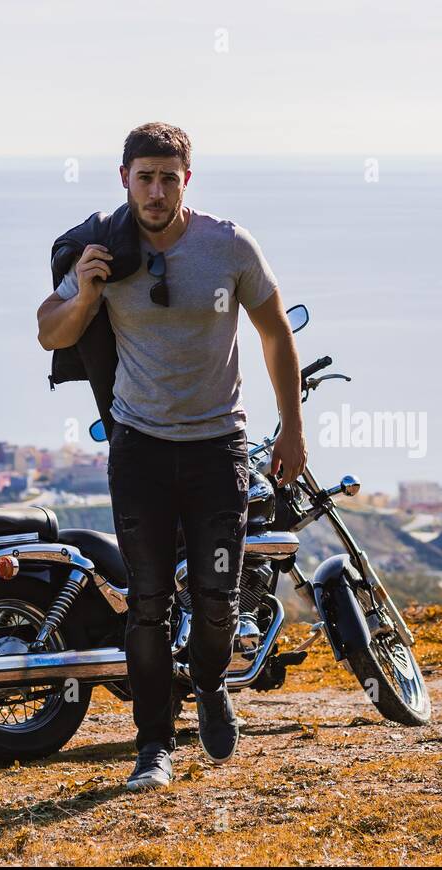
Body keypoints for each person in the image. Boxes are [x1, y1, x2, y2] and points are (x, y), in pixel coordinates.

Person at [36, 122, 308, 789]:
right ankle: (153, 745)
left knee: (217, 598)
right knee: (149, 604)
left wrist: (293, 430)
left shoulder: (228, 245)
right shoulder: (103, 249)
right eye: (144, 177)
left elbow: (275, 335)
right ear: (123, 178)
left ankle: (211, 683)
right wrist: (90, 291)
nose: (155, 191)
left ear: (188, 180)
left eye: (168, 177)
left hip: (218, 449)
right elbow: (50, 331)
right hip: (141, 453)